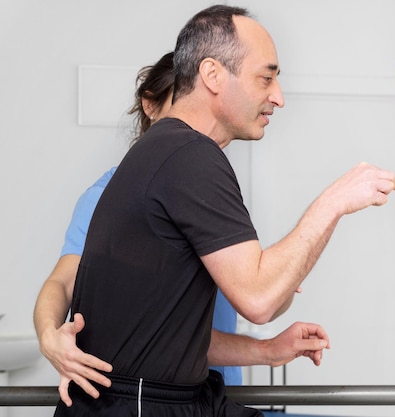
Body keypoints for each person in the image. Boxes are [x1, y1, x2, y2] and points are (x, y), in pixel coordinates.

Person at [51, 4, 395, 416]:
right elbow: (259, 299)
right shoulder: (189, 154)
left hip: (171, 396)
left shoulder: (165, 152)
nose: (279, 97)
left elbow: (166, 333)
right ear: (213, 76)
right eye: (266, 78)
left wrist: (268, 350)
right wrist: (334, 201)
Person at [34, 51, 330, 410]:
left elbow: (244, 306)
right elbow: (64, 282)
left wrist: (278, 294)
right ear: (151, 106)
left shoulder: (209, 191)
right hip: (152, 394)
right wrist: (49, 336)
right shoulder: (108, 198)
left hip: (202, 389)